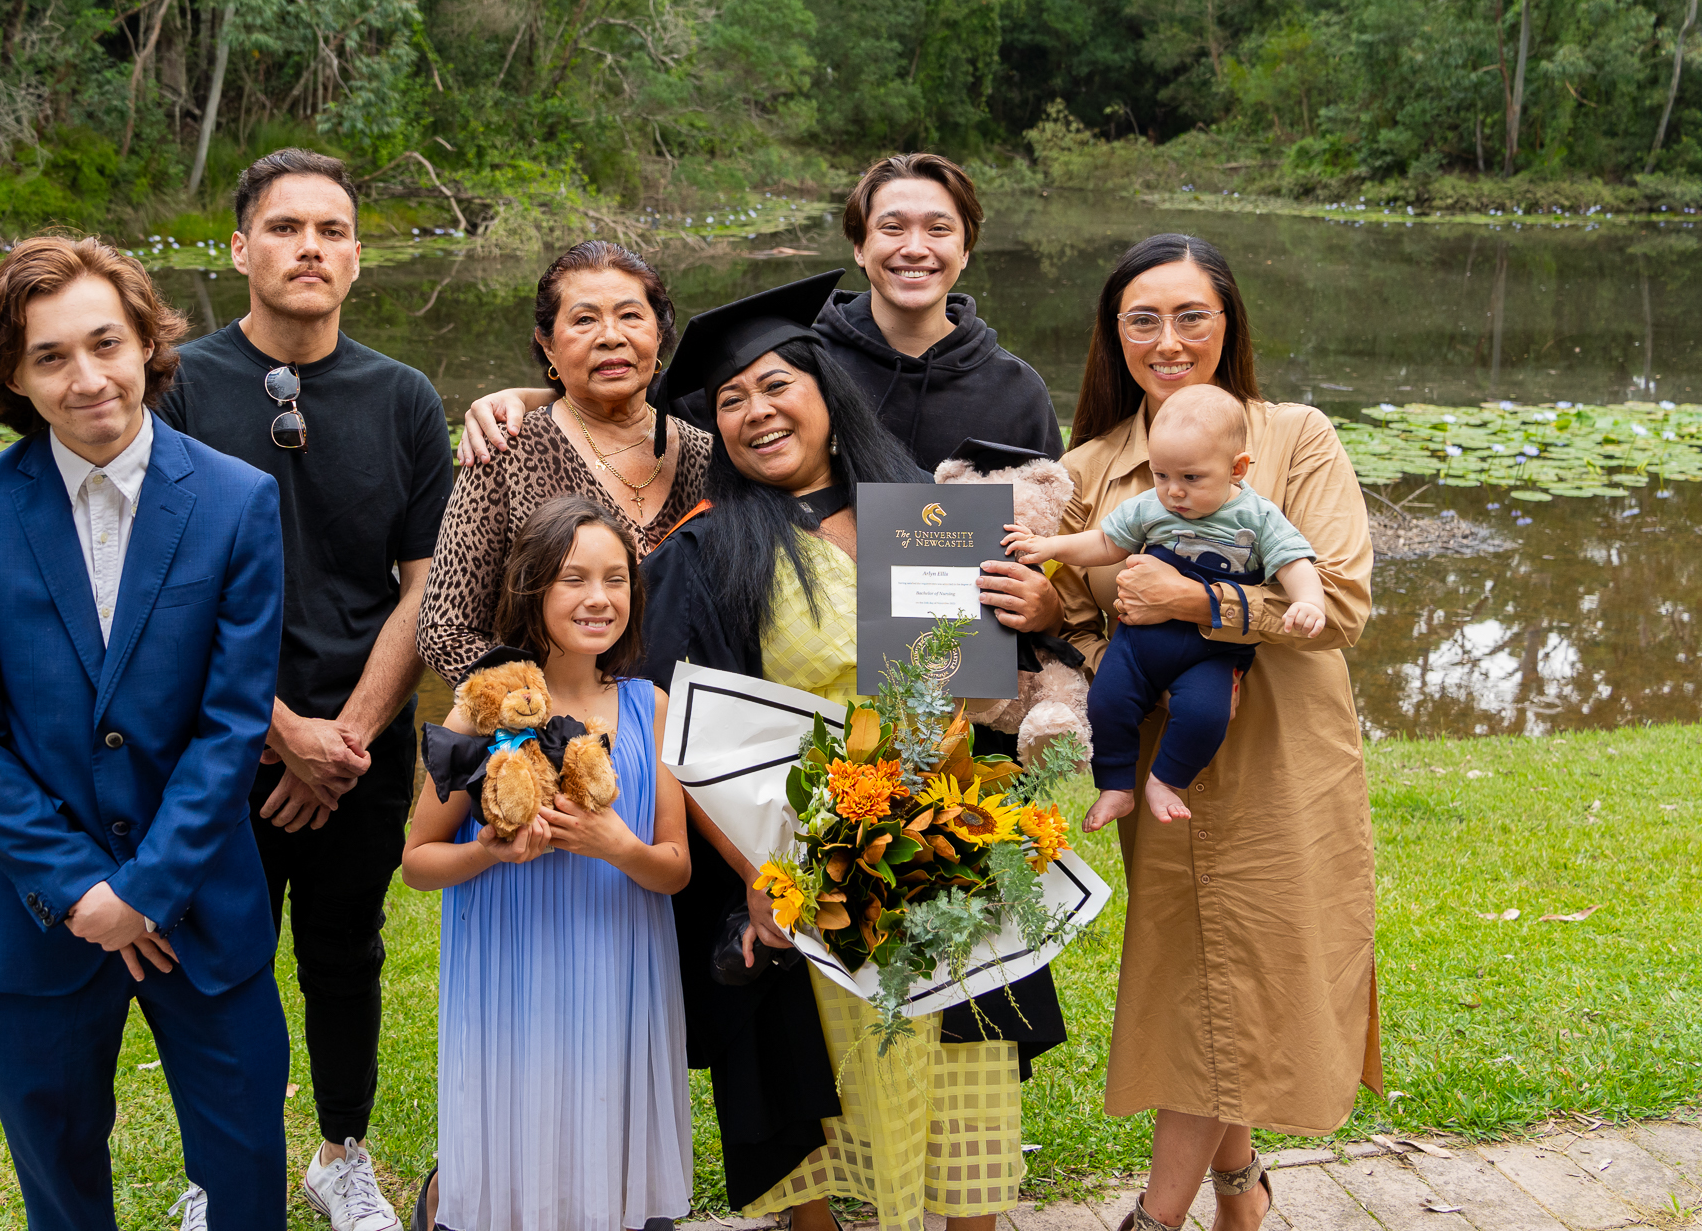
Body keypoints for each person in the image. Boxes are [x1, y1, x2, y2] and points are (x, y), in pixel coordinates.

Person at [637, 271, 1056, 1231]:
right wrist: (761, 876)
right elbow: (688, 732)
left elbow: (964, 697)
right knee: (804, 1096)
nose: (756, 411)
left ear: (827, 388)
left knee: (962, 1096)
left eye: (777, 384)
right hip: (788, 857)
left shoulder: (923, 513)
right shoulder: (708, 551)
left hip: (935, 848)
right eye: (732, 399)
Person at [0, 236, 288, 1230]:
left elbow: (231, 723)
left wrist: (146, 889)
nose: (88, 380)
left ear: (144, 345)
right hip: (39, 921)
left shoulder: (237, 501)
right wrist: (82, 888)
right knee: (62, 1191)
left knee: (248, 1176)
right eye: (51, 357)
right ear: (12, 374)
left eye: (105, 344)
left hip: (203, 910)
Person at [1049, 234, 1379, 1231]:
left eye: (1190, 315)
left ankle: (1152, 1222)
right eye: (1141, 319)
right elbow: (1073, 625)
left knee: (1220, 983)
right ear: (1113, 336)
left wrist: (1195, 599)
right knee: (1200, 982)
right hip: (1160, 762)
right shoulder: (1087, 468)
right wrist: (1038, 610)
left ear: (1226, 323)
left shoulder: (1292, 438)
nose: (1167, 338)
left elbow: (1345, 606)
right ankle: (1241, 1192)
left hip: (1278, 762)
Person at [154, 148, 454, 1231]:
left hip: (364, 744)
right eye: (284, 229)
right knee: (219, 956)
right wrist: (280, 737)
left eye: (330, 231)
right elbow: (165, 594)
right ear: (240, 249)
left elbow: (425, 583)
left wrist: (350, 739)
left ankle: (340, 1154)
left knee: (345, 952)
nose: (309, 248)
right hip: (219, 740)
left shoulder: (402, 398)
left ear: (357, 257)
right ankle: (218, 1170)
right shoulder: (176, 387)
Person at [403, 497, 693, 1231]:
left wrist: (616, 845)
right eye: (574, 578)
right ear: (532, 587)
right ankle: (459, 1206)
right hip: (512, 961)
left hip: (616, 960)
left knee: (600, 1106)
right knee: (521, 1108)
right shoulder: (480, 707)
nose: (599, 597)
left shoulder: (648, 705)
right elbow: (417, 861)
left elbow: (673, 866)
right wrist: (483, 849)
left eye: (616, 578)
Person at [457, 153, 1063, 474]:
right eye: (891, 227)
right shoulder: (793, 348)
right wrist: (529, 397)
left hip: (952, 665)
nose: (914, 248)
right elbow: (645, 406)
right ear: (859, 246)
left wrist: (1042, 602)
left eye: (938, 229)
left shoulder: (1017, 393)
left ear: (966, 248)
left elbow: (1046, 535)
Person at [1012, 384, 1326, 827]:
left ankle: (1165, 779)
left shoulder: (1258, 518)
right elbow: (1104, 541)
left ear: (1236, 469)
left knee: (1205, 713)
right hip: (1139, 643)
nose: (1173, 491)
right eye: (1161, 476)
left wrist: (1309, 601)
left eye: (1191, 478)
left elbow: (1293, 561)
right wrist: (1050, 546)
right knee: (1107, 702)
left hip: (1210, 651)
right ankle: (1116, 786)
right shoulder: (1149, 506)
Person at [415, 240, 710, 683]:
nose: (611, 336)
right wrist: (550, 709)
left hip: (688, 732)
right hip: (549, 736)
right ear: (548, 345)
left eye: (630, 316)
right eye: (584, 319)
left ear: (660, 332)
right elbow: (444, 630)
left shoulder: (706, 456)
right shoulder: (505, 450)